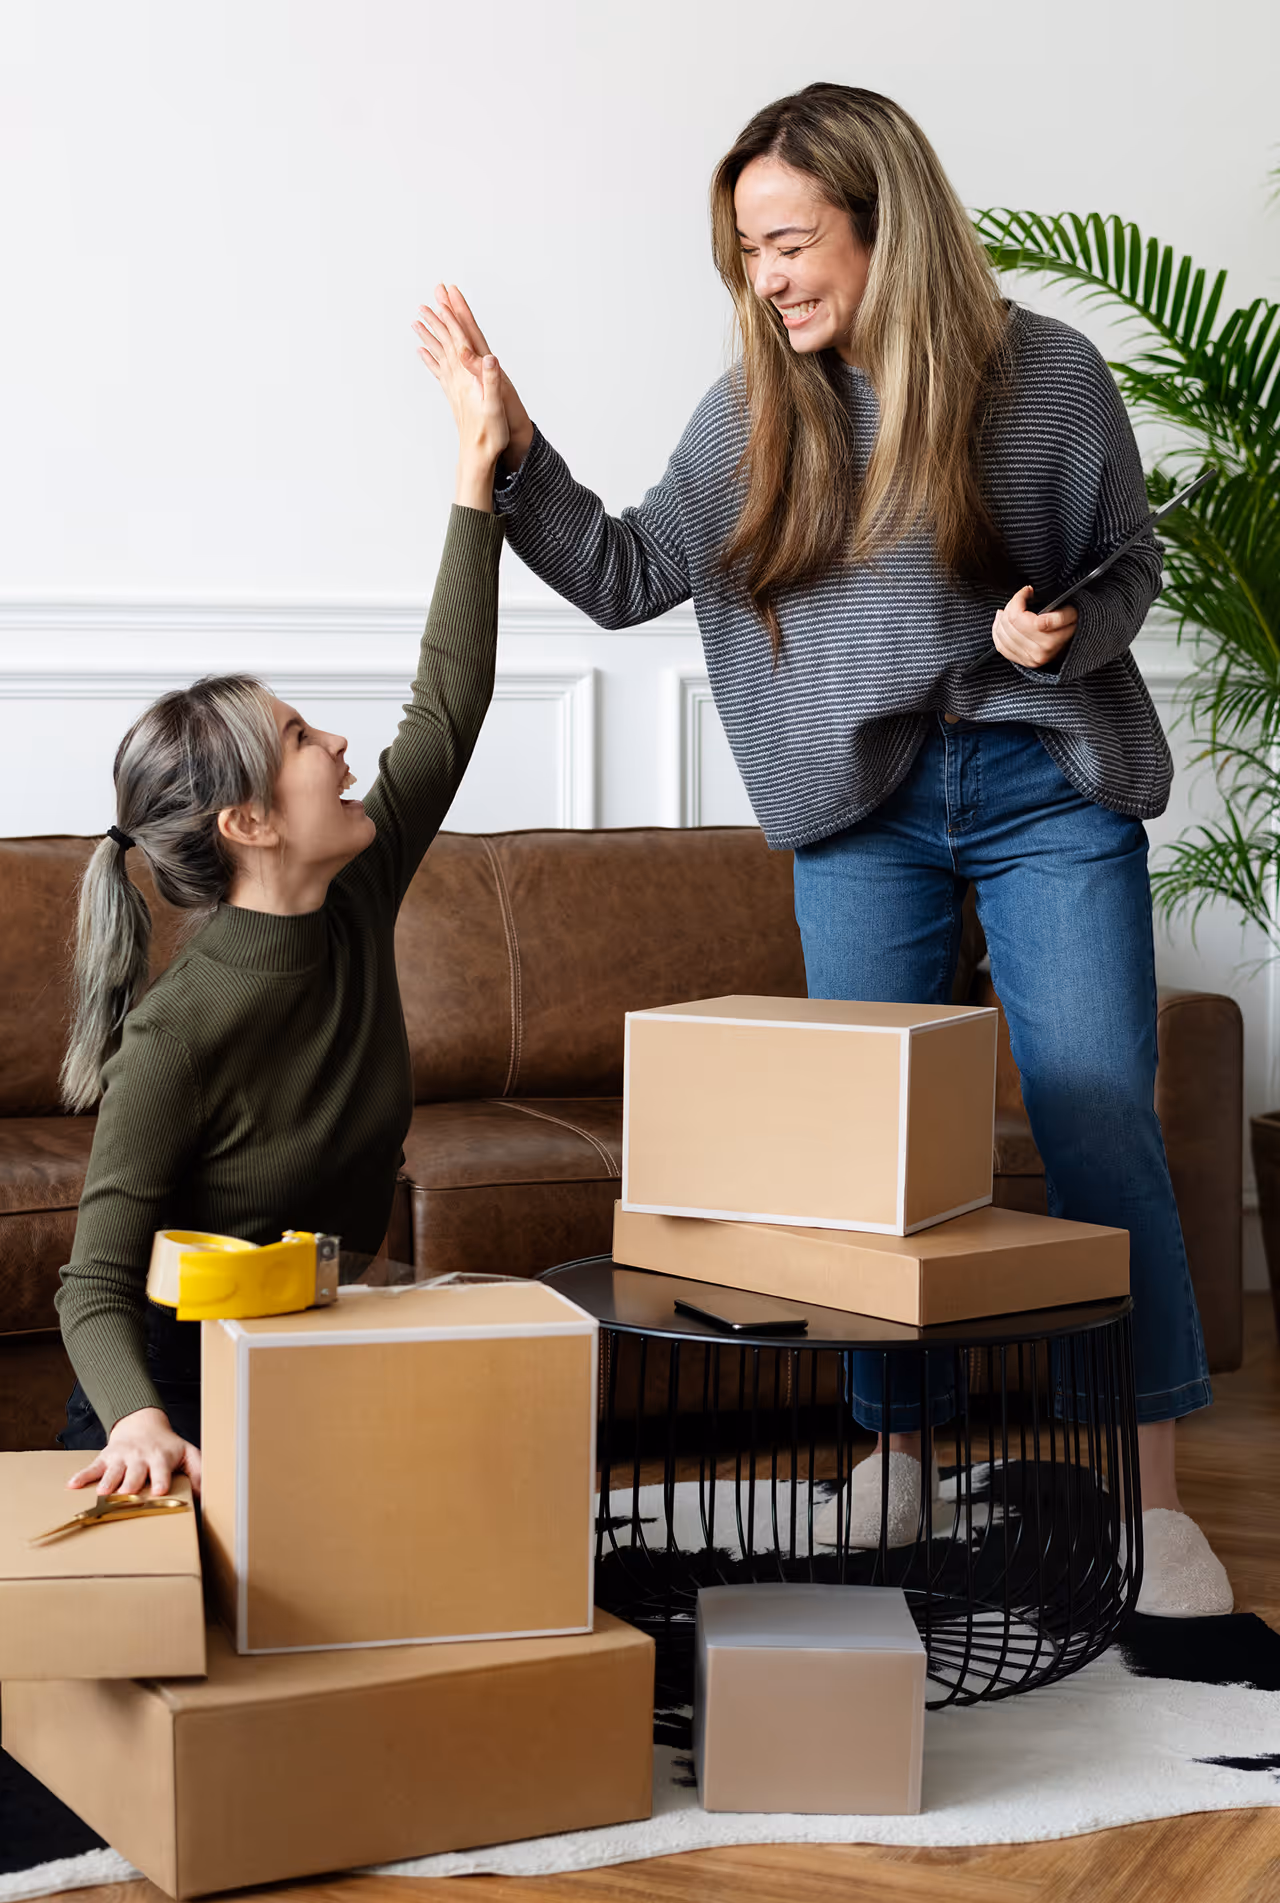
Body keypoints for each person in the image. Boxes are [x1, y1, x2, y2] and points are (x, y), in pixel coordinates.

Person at [414, 82, 1230, 1617]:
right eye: (747, 252)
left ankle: (1157, 1503)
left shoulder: (1043, 380)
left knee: (1097, 1109)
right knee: (863, 1162)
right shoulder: (755, 412)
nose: (768, 278)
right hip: (863, 813)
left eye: (789, 242)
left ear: (883, 222)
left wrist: (1061, 631)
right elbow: (625, 570)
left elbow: (1127, 566)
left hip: (1047, 783)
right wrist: (514, 450)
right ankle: (898, 1449)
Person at [55, 325, 510, 1498]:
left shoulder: (351, 898)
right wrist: (140, 1428)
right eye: (304, 740)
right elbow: (93, 1286)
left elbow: (447, 706)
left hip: (309, 1346)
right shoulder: (180, 1035)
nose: (340, 742)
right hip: (178, 1403)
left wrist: (475, 467)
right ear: (248, 825)